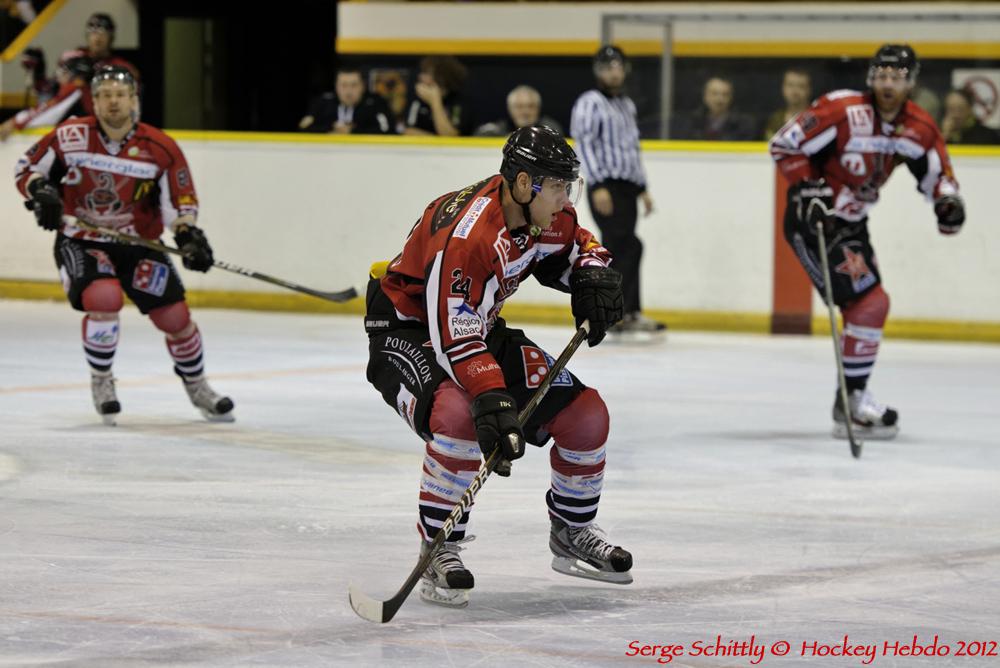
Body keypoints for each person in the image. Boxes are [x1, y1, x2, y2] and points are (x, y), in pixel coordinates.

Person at [363, 126, 633, 608]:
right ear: (524, 183)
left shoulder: (541, 212)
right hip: (408, 330)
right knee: (461, 416)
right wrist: (492, 397)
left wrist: (592, 275)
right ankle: (439, 547)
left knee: (586, 415)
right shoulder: (468, 238)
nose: (566, 198)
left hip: (473, 327)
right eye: (558, 186)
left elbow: (577, 247)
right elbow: (453, 336)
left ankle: (572, 530)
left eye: (568, 186)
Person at [14, 66, 234, 424]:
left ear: (134, 100)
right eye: (105, 96)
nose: (113, 102)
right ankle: (102, 380)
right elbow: (27, 168)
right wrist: (40, 191)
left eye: (120, 95)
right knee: (104, 299)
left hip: (138, 244)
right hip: (82, 241)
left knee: (176, 318)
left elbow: (180, 202)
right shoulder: (70, 136)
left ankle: (198, 385)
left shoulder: (160, 147)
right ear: (94, 102)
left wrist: (188, 235)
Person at [769, 44, 964, 440]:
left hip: (853, 225)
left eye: (897, 77)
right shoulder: (842, 110)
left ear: (911, 82)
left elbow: (937, 174)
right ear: (871, 77)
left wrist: (947, 202)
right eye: (882, 75)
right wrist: (808, 187)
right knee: (869, 304)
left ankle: (852, 399)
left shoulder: (919, 126)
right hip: (816, 223)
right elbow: (784, 144)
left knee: (870, 307)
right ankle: (852, 402)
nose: (888, 84)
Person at [570, 45, 663, 335]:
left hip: (626, 187)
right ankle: (613, 313)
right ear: (598, 71)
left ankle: (627, 312)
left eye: (618, 66)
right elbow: (584, 144)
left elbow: (630, 148)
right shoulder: (589, 103)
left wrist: (642, 188)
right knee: (623, 247)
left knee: (626, 247)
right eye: (608, 67)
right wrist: (597, 184)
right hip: (606, 186)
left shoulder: (626, 105)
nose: (614, 72)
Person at [0, 50, 94, 141]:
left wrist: (15, 122)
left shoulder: (76, 89)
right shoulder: (84, 91)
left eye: (64, 70)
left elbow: (47, 113)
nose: (59, 76)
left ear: (75, 75)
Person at [298, 66, 395, 134]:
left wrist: (353, 132)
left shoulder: (375, 103)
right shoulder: (323, 102)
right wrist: (330, 129)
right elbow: (303, 128)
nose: (348, 91)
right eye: (344, 85)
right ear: (336, 86)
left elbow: (388, 130)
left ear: (363, 86)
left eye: (354, 85)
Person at [403, 55, 473, 136]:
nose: (420, 77)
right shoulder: (418, 100)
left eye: (426, 73)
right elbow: (409, 132)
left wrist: (435, 101)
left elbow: (450, 136)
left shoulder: (459, 102)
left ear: (441, 77)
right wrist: (439, 140)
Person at [673, 75, 756, 141]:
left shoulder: (744, 124)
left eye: (725, 94)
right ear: (705, 96)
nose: (719, 99)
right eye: (714, 93)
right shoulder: (691, 122)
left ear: (731, 98)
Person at [474, 85, 564, 137]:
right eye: (519, 107)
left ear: (538, 108)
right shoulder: (494, 131)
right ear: (510, 108)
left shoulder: (550, 131)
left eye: (531, 106)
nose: (525, 112)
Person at [762, 68, 812, 139]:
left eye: (801, 86)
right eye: (790, 85)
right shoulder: (775, 120)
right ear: (783, 88)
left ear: (809, 90)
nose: (795, 91)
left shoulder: (817, 118)